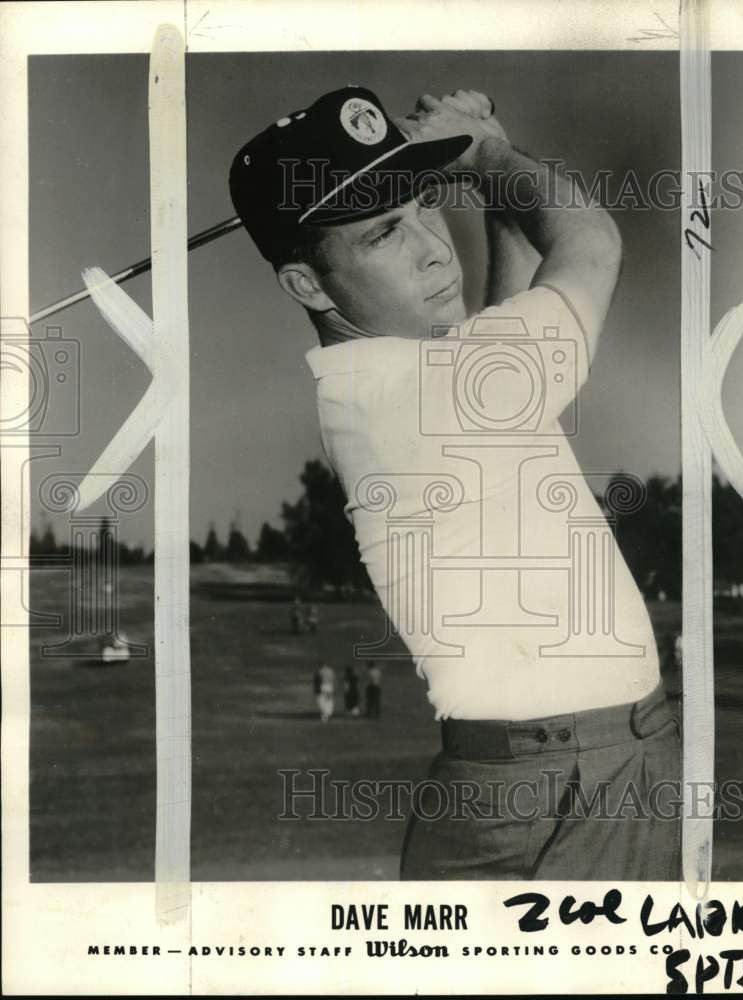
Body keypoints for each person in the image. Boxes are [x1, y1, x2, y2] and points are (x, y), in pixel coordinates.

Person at [230, 86, 680, 880]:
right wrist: (486, 154)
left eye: (425, 205)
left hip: (562, 771)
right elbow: (592, 242)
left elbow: (503, 314)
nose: (435, 250)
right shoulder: (419, 396)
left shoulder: (398, 378)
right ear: (308, 285)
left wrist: (492, 185)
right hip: (566, 784)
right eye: (383, 233)